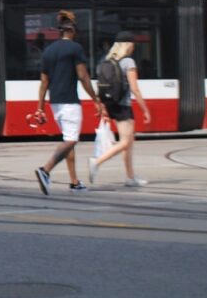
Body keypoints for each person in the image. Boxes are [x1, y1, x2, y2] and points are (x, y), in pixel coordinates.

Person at [34, 10, 104, 194]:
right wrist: (96, 100)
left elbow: (44, 82)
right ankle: (45, 170)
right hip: (70, 102)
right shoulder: (75, 48)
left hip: (54, 103)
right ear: (72, 30)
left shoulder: (48, 51)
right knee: (71, 140)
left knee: (68, 139)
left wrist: (40, 108)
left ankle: (74, 182)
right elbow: (83, 76)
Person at [88, 32, 152, 187]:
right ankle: (97, 162)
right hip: (124, 106)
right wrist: (145, 110)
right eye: (132, 43)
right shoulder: (128, 62)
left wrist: (101, 106)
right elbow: (135, 89)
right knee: (126, 141)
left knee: (127, 142)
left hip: (112, 105)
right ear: (128, 45)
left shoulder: (106, 60)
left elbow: (100, 86)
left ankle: (130, 178)